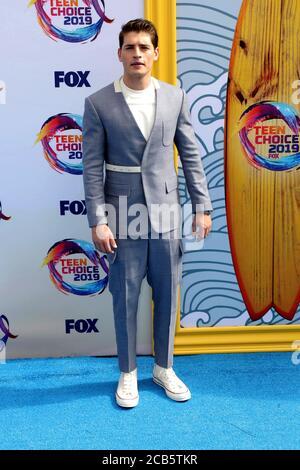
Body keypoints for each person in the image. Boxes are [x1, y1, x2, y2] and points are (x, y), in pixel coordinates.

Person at [82, 18, 212, 408]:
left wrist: (202, 207)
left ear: (155, 53)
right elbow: (91, 167)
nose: (137, 54)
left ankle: (164, 367)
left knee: (168, 294)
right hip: (121, 211)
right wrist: (98, 220)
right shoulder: (98, 103)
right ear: (119, 53)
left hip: (168, 211)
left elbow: (190, 154)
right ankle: (128, 373)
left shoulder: (175, 97)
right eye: (130, 47)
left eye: (144, 47)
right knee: (125, 294)